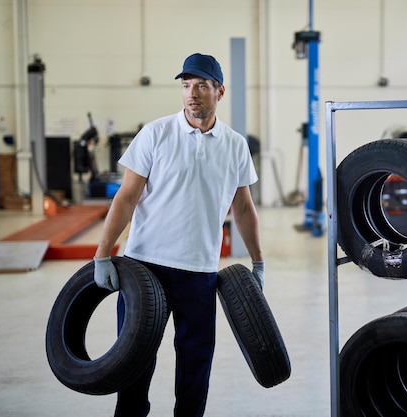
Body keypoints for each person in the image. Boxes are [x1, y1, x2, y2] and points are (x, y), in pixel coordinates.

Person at [93, 52, 264, 417]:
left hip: (200, 271)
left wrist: (259, 262)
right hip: (144, 268)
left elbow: (244, 208)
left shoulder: (234, 145)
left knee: (195, 363)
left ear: (219, 91)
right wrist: (103, 253)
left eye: (201, 85)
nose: (192, 94)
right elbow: (126, 197)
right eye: (186, 85)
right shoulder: (156, 134)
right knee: (135, 360)